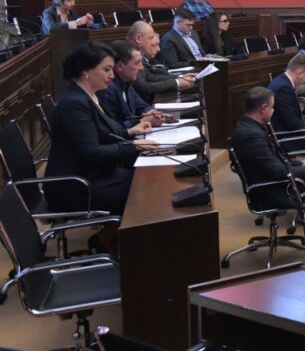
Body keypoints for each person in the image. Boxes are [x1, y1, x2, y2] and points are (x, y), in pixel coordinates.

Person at [43, 41, 157, 216]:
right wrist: (134, 146)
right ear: (86, 71)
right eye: (106, 69)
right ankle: (119, 232)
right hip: (74, 186)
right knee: (141, 190)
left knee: (144, 177)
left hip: (94, 174)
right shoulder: (74, 103)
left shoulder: (90, 96)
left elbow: (103, 132)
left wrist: (130, 132)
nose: (112, 75)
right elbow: (92, 152)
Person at [230, 87, 305, 209]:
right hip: (280, 188)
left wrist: (302, 163)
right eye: (272, 107)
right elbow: (278, 172)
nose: (273, 111)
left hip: (281, 180)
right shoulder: (251, 136)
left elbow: (276, 160)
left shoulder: (248, 126)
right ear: (263, 108)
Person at [97, 40, 167, 130]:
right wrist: (141, 121)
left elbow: (142, 106)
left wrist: (152, 113)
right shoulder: (107, 89)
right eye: (137, 63)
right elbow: (112, 129)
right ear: (120, 66)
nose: (141, 68)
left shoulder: (126, 82)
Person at [126, 21, 197, 103]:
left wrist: (179, 78)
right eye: (151, 38)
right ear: (138, 39)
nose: (153, 42)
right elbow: (144, 88)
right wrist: (177, 82)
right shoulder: (128, 55)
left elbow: (150, 77)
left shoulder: (135, 53)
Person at [268, 54, 305, 134]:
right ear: (300, 74)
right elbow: (290, 121)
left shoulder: (281, 80)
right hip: (289, 136)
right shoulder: (283, 88)